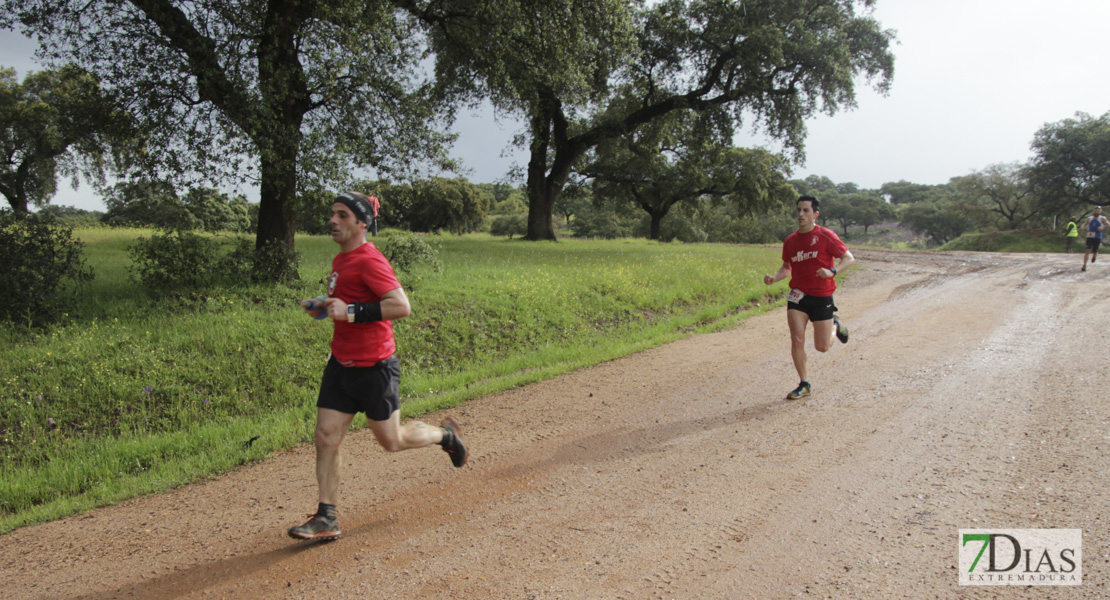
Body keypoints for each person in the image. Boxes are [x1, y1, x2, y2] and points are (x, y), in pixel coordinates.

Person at [289, 191, 467, 541]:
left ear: (361, 222)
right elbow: (352, 300)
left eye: (342, 215)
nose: (333, 221)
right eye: (333, 214)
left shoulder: (371, 260)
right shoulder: (342, 259)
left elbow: (401, 306)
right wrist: (325, 306)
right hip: (341, 364)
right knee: (326, 437)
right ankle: (327, 517)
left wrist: (351, 312)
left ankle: (446, 435)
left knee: (392, 441)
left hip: (375, 368)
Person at [763, 196, 855, 400]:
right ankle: (804, 383)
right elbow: (787, 267)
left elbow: (849, 259)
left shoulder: (825, 235)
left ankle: (834, 326)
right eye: (798, 210)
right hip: (798, 297)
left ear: (815, 215)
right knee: (797, 339)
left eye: (806, 210)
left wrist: (832, 271)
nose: (800, 214)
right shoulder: (790, 240)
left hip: (822, 296)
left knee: (821, 347)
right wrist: (774, 278)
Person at [1081, 206, 1110, 271]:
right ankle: (1084, 265)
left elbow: (1109, 225)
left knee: (1095, 250)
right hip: (1090, 235)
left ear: (1100, 211)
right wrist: (1082, 227)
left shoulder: (1102, 218)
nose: (1096, 212)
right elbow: (1084, 224)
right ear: (1093, 211)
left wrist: (1103, 227)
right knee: (1087, 250)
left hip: (1097, 236)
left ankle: (1094, 256)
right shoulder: (1089, 218)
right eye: (1095, 211)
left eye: (1098, 211)